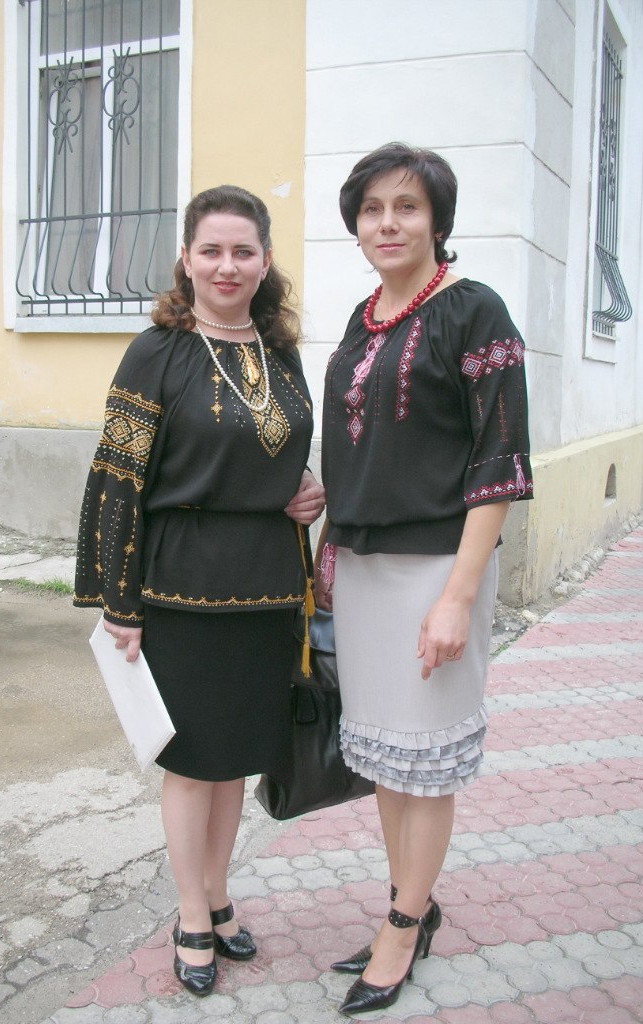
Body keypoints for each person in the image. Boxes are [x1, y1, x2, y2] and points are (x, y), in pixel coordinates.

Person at [73, 184, 324, 997]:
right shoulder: (156, 352)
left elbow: (278, 452)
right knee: (191, 762)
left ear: (265, 260)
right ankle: (189, 913)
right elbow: (117, 477)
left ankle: (218, 894)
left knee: (235, 760)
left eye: (243, 251)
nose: (227, 266)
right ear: (186, 259)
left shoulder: (280, 351)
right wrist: (118, 600)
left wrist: (304, 488)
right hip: (180, 589)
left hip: (267, 589)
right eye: (211, 250)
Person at [316, 143, 533, 1016]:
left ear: (438, 220)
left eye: (406, 207)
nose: (388, 224)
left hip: (437, 570)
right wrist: (327, 523)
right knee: (388, 757)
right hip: (365, 572)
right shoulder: (363, 316)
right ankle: (410, 902)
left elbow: (500, 462)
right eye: (372, 209)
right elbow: (364, 446)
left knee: (428, 763)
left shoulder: (474, 310)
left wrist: (458, 596)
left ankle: (402, 929)